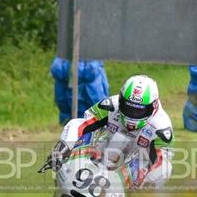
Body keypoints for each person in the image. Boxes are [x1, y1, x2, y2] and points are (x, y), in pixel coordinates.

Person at [44, 74, 174, 190]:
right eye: (128, 107)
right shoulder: (110, 105)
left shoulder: (162, 128)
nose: (133, 114)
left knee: (164, 170)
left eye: (139, 111)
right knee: (72, 145)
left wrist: (144, 182)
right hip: (108, 146)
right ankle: (62, 193)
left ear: (154, 106)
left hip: (139, 160)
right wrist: (63, 148)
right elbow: (81, 124)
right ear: (121, 100)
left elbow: (161, 162)